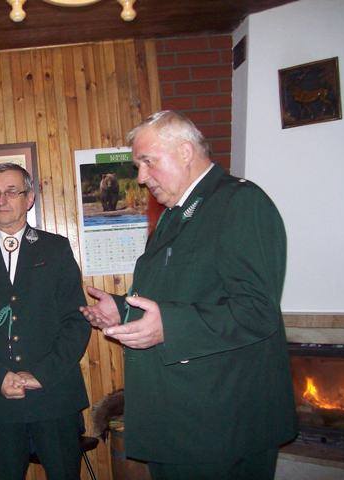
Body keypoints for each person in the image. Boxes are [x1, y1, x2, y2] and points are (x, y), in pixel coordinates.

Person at [80, 111, 297, 480]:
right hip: (179, 421)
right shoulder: (175, 215)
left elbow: (257, 311)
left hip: (220, 426)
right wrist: (121, 309)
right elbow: (177, 295)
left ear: (184, 152)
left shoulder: (240, 202)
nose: (141, 177)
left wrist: (169, 327)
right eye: (138, 166)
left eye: (148, 162)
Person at [0, 163, 91, 479]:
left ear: (29, 199)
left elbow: (76, 321)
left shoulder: (55, 249)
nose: (1, 200)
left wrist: (42, 374)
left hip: (53, 392)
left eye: (12, 191)